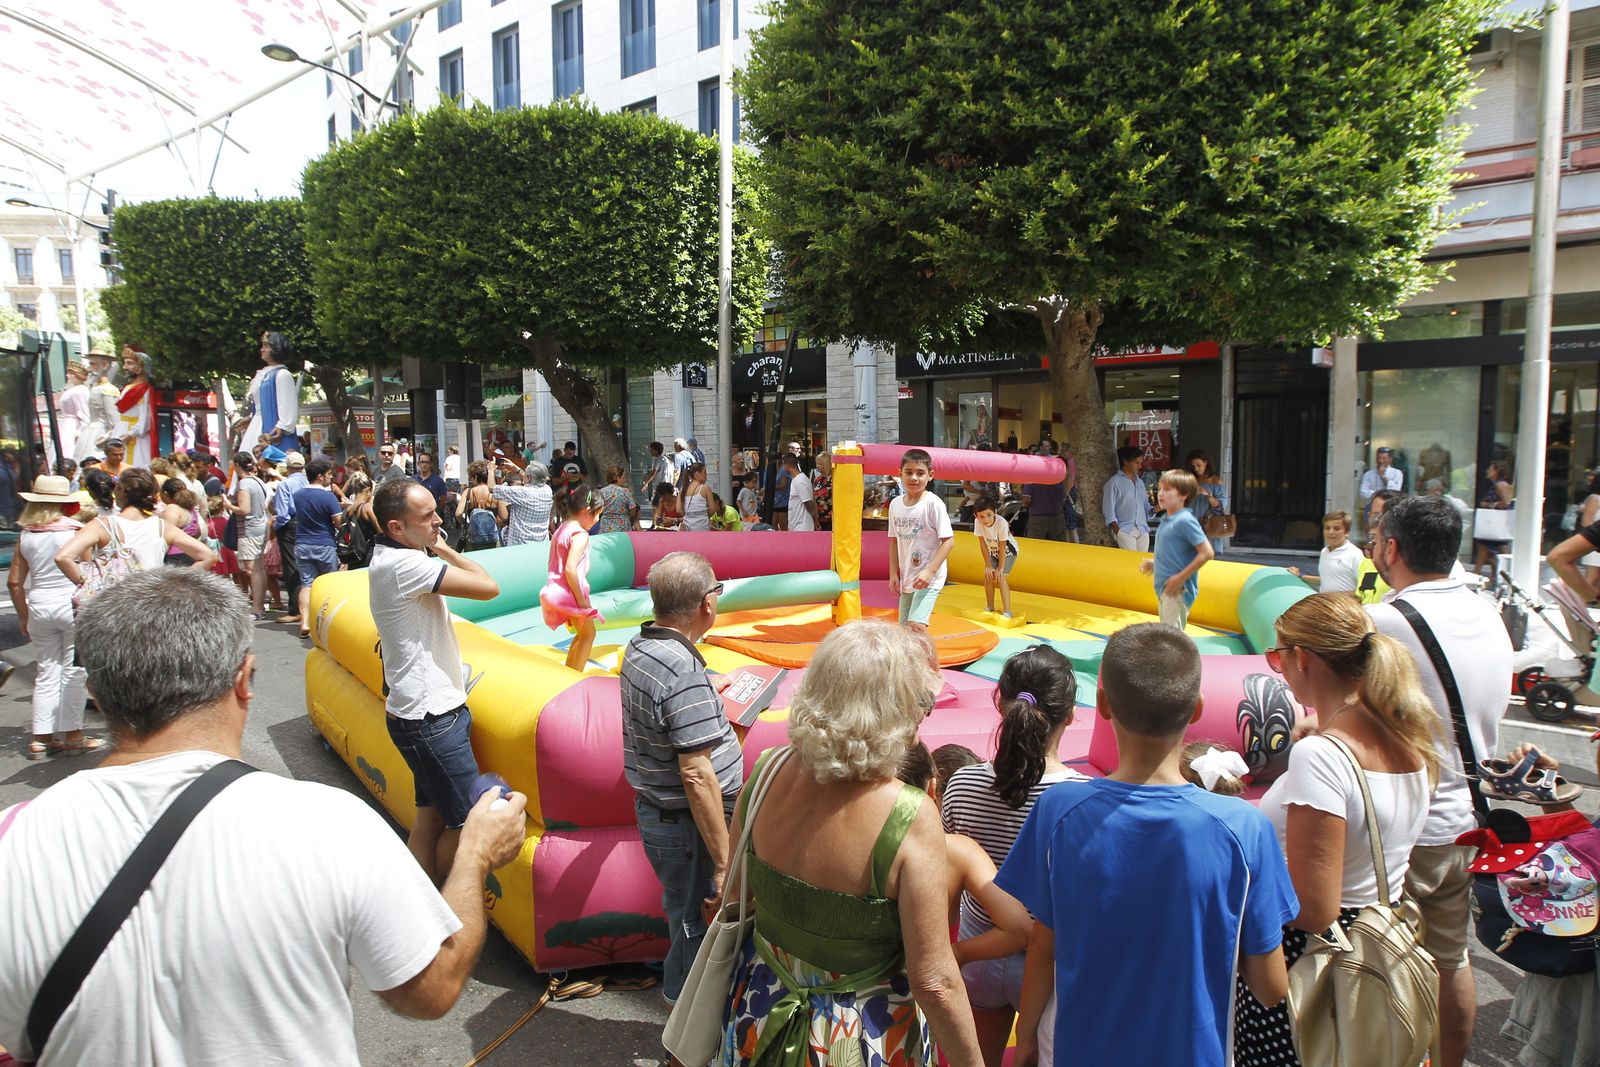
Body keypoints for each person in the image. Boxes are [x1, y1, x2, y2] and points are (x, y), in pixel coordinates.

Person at [0, 569, 529, 1065]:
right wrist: (474, 854)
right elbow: (431, 989)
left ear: (95, 692)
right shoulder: (327, 824)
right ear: (244, 680)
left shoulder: (13, 839)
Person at [998, 624, 1297, 1067]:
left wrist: (1025, 1037)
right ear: (1196, 710)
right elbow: (1270, 986)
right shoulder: (1244, 828)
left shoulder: (1058, 811)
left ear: (1101, 705)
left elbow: (1044, 945)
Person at [719, 619, 984, 1066]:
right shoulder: (909, 815)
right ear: (894, 709)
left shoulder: (766, 769)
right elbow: (934, 982)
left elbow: (736, 897)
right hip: (857, 1033)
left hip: (760, 1009)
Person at [1234, 593, 1437, 1065]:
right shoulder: (1409, 737)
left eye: (1276, 656)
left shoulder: (1321, 757)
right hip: (1383, 942)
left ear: (1300, 658)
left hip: (1312, 962)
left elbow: (1313, 907)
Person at [1366, 494, 1512, 1067]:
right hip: (1468, 819)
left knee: (1385, 964)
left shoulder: (1386, 621)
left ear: (1393, 548)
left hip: (1405, 827)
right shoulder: (1489, 611)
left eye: (1377, 540)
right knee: (1453, 959)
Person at [940, 644, 1084, 1067]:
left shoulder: (963, 784)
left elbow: (948, 866)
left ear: (997, 701)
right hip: (1047, 967)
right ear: (1072, 714)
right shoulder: (1078, 800)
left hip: (976, 954)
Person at [619, 551, 742, 1003]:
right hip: (687, 824)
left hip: (664, 815)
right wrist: (724, 859)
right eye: (717, 590)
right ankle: (685, 1022)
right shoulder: (682, 671)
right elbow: (695, 774)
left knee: (685, 914)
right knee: (696, 923)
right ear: (706, 605)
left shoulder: (644, 644)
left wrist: (708, 689)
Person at [370, 479, 501, 883]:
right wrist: (442, 547)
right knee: (473, 829)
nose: (438, 520)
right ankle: (433, 909)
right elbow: (488, 586)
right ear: (396, 528)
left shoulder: (390, 556)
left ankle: (415, 905)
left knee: (429, 819)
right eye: (426, 517)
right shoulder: (406, 564)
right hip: (432, 719)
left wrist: (434, 543)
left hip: (417, 714)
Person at [896, 743, 1034, 968]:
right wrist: (958, 954)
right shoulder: (957, 852)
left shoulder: (852, 840)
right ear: (933, 790)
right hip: (931, 980)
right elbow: (1018, 929)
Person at [6, 475, 98, 760]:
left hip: (39, 606)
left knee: (47, 671)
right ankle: (72, 735)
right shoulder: (76, 532)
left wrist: (23, 617)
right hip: (71, 605)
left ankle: (40, 738)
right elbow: (90, 574)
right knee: (74, 670)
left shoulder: (26, 535)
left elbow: (14, 583)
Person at [55, 467, 216, 584]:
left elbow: (63, 557)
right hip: (151, 602)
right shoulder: (162, 527)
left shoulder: (101, 525)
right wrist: (174, 584)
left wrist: (89, 583)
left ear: (121, 490)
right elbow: (208, 556)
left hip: (114, 606)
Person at [888, 448, 953, 635]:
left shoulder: (933, 503)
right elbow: (894, 541)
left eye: (920, 473)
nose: (914, 478)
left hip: (929, 577)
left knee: (916, 626)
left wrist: (929, 571)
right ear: (899, 473)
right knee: (904, 630)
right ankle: (908, 662)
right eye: (908, 472)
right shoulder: (895, 505)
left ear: (930, 476)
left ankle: (930, 663)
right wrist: (893, 573)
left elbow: (948, 541)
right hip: (908, 575)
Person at [540, 480, 603, 671]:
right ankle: (575, 675)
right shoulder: (580, 535)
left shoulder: (562, 528)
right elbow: (570, 568)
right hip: (571, 592)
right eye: (598, 514)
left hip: (554, 590)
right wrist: (582, 602)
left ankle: (569, 670)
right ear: (586, 511)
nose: (598, 520)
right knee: (589, 635)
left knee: (582, 634)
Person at [1139, 468, 1213, 629]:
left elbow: (1207, 552)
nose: (1160, 494)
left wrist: (1180, 578)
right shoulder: (1168, 520)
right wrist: (1155, 564)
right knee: (1168, 633)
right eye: (1160, 489)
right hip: (1165, 587)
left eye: (1167, 490)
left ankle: (1179, 655)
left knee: (1172, 637)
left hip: (1178, 590)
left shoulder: (1185, 521)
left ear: (1183, 495)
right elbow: (1174, 554)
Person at [291, 458, 344, 637]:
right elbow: (339, 523)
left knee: (307, 584)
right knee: (329, 584)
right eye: (329, 475)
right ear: (320, 476)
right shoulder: (328, 497)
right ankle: (330, 621)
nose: (331, 478)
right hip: (324, 544)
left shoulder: (297, 495)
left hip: (302, 543)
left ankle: (305, 621)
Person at [222, 452, 271, 618]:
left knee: (252, 570)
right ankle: (260, 606)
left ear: (236, 465)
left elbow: (244, 510)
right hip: (261, 527)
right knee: (259, 568)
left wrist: (229, 506)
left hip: (249, 529)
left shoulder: (244, 484)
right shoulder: (259, 481)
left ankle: (257, 608)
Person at [237, 331, 301, 455]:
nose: (262, 349)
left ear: (276, 349)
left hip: (272, 426)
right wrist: (250, 418)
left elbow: (287, 405)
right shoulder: (266, 374)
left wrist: (282, 426)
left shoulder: (282, 374)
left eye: (266, 346)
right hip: (257, 423)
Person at [269, 452, 309, 626]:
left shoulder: (286, 484)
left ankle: (295, 609)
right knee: (306, 566)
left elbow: (282, 513)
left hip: (291, 525)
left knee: (292, 567)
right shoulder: (307, 482)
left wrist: (276, 527)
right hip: (308, 524)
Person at [1288, 511, 1363, 593]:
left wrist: (1339, 600)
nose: (1331, 532)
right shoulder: (1324, 552)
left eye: (1336, 528)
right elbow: (1326, 580)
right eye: (1327, 528)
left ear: (1347, 532)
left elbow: (1363, 589)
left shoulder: (1355, 554)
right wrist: (1300, 576)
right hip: (1325, 604)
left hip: (1344, 605)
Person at [972, 494, 1017, 618]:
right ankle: (990, 607)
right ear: (976, 516)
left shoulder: (1001, 523)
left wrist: (1000, 568)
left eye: (988, 515)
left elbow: (1002, 546)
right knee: (988, 577)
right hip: (993, 550)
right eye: (981, 516)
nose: (985, 519)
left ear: (995, 513)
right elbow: (982, 543)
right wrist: (988, 565)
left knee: (1000, 577)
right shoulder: (978, 522)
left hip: (1008, 551)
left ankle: (1007, 610)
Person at [489, 458, 553, 544]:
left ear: (529, 477)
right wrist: (516, 469)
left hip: (520, 544)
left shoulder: (522, 492)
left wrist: (490, 470)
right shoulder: (547, 490)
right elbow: (530, 480)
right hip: (541, 543)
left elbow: (491, 488)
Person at [112, 345, 156, 468]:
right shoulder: (127, 388)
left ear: (140, 367)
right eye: (125, 363)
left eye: (129, 363)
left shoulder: (144, 390)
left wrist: (131, 434)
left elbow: (145, 418)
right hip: (121, 430)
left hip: (135, 436)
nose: (125, 367)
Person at [1102, 445, 1151, 550]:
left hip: (1142, 529)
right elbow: (1108, 510)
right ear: (1125, 461)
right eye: (1137, 463)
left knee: (1141, 564)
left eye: (1141, 463)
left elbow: (1146, 507)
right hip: (1125, 530)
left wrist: (1153, 510)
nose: (1140, 466)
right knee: (1129, 563)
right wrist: (1118, 531)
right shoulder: (1114, 483)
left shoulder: (1140, 482)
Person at [76, 349, 121, 463]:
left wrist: (109, 435)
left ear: (105, 365)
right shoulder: (95, 388)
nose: (90, 368)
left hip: (100, 433)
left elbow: (114, 420)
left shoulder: (109, 390)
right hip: (90, 432)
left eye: (93, 364)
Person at [1472, 459, 1514, 578]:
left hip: (1496, 522)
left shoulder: (1500, 485)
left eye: (1490, 469)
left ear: (1497, 471)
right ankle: (1495, 575)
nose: (1487, 471)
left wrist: (1488, 504)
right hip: (1495, 523)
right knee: (1487, 548)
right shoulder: (1499, 484)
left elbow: (1506, 503)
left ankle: (1478, 574)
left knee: (1487, 547)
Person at [455, 461, 507, 551]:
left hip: (473, 537)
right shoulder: (496, 492)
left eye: (471, 477)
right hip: (493, 536)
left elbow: (458, 514)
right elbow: (504, 516)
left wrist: (467, 524)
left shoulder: (468, 492)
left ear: (475, 476)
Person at [1186, 448, 1229, 553]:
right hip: (1191, 520)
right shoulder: (1190, 479)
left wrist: (1208, 495)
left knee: (1211, 559)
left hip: (1210, 523)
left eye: (1198, 465)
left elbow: (1220, 506)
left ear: (1206, 462)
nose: (1196, 468)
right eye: (1193, 466)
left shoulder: (1215, 481)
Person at [158, 478, 208, 568]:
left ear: (165, 494)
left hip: (173, 558)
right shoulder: (191, 510)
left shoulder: (172, 509)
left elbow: (167, 535)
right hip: (190, 554)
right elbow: (198, 532)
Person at [1021, 454, 1068, 543]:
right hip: (1056, 517)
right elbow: (1063, 499)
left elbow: (1027, 500)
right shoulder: (1057, 477)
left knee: (1036, 547)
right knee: (1056, 547)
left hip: (1037, 519)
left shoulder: (1031, 478)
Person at [53, 361, 89, 463]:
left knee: (68, 452)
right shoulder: (73, 390)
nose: (68, 375)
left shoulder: (81, 391)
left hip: (73, 426)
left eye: (71, 373)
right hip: (65, 425)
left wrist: (80, 432)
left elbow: (85, 413)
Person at [594, 465, 638, 534]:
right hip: (623, 526)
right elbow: (633, 510)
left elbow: (597, 508)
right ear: (617, 477)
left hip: (606, 526)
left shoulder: (602, 492)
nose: (624, 480)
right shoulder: (625, 492)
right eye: (622, 478)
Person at [784, 454, 817, 532]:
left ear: (787, 465)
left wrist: (815, 519)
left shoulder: (800, 481)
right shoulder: (796, 480)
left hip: (802, 526)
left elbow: (808, 502)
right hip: (797, 525)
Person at [682, 461, 715, 532]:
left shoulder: (683, 489)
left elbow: (679, 509)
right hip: (702, 525)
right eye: (704, 472)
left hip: (687, 524)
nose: (707, 475)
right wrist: (703, 515)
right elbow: (712, 509)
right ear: (697, 474)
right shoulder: (705, 488)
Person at [812, 452, 834, 530]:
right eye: (817, 464)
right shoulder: (817, 479)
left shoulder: (834, 480)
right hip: (817, 517)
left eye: (820, 464)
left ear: (827, 465)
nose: (817, 466)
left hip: (829, 518)